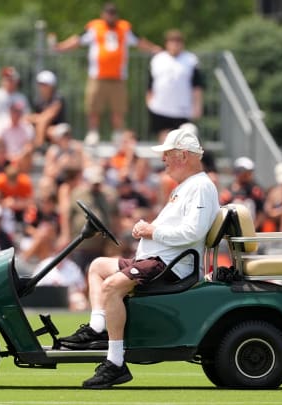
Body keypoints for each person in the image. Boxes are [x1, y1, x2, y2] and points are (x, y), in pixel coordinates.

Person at [58, 128, 219, 388]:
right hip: (159, 260)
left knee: (110, 286)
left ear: (184, 155)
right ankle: (97, 328)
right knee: (98, 267)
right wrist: (147, 228)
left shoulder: (200, 187)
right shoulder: (188, 186)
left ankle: (115, 363)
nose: (163, 160)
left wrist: (151, 230)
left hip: (170, 267)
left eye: (167, 155)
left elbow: (193, 232)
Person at [54, 3, 160, 145]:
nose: (110, 16)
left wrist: (154, 49)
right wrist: (61, 47)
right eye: (108, 13)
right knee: (93, 107)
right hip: (98, 76)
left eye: (113, 13)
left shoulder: (124, 28)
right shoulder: (94, 27)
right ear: (103, 14)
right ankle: (93, 133)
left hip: (118, 77)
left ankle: (117, 135)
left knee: (119, 108)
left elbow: (139, 41)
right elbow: (77, 40)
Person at [146, 29, 204, 138]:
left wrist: (197, 106)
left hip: (182, 108)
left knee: (182, 137)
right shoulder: (158, 59)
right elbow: (150, 84)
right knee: (164, 136)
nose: (175, 45)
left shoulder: (190, 60)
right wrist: (149, 102)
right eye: (172, 42)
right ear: (166, 43)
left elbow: (197, 86)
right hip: (161, 106)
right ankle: (164, 156)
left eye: (178, 42)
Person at [220, 157, 265, 230]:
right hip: (233, 232)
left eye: (249, 172)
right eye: (244, 172)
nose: (247, 175)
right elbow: (221, 213)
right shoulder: (228, 192)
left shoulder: (256, 190)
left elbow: (261, 212)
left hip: (253, 231)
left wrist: (253, 229)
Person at [0, 101, 35, 172]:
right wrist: (7, 156)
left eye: (19, 112)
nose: (16, 114)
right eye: (14, 111)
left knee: (28, 154)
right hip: (4, 157)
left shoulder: (27, 127)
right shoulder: (0, 125)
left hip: (20, 159)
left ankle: (23, 178)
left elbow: (29, 147)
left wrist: (18, 157)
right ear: (10, 112)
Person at [29, 70, 66, 148]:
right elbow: (36, 117)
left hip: (58, 128)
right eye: (40, 84)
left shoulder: (58, 99)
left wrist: (35, 118)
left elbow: (47, 117)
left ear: (52, 86)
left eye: (44, 84)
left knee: (47, 128)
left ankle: (39, 148)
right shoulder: (39, 100)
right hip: (44, 129)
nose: (41, 87)